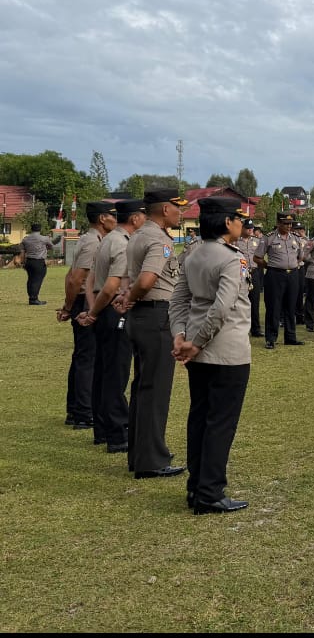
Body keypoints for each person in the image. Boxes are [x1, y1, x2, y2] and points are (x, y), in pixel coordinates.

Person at [170, 197, 252, 514]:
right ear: (227, 222)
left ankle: (196, 486)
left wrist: (181, 335)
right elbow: (222, 307)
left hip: (197, 348)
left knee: (200, 418)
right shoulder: (232, 258)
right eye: (238, 219)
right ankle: (210, 491)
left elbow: (178, 300)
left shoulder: (193, 254)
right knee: (220, 422)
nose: (242, 224)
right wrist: (198, 342)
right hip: (225, 351)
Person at [117, 188, 187, 479]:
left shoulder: (137, 235)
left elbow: (131, 277)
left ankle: (140, 454)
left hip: (142, 317)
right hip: (156, 314)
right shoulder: (159, 239)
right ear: (165, 209)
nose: (181, 213)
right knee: (155, 390)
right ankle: (152, 460)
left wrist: (128, 297)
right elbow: (146, 280)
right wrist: (131, 297)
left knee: (143, 387)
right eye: (178, 207)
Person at [78, 199, 146, 454]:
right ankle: (117, 433)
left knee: (103, 372)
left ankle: (102, 429)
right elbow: (111, 286)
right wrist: (95, 312)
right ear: (135, 218)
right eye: (143, 215)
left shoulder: (107, 240)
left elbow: (90, 280)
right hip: (114, 309)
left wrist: (92, 309)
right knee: (116, 374)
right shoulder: (122, 243)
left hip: (103, 309)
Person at [56, 201, 115, 429]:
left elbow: (70, 275)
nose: (115, 219)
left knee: (82, 357)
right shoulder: (93, 243)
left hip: (82, 301)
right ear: (102, 219)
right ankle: (83, 412)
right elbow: (76, 278)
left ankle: (75, 410)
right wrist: (69, 307)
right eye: (112, 215)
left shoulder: (89, 239)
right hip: (86, 302)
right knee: (87, 359)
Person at [254, 212, 303, 349]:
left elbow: (300, 256)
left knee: (291, 306)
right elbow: (257, 257)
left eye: (290, 224)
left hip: (292, 275)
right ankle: (271, 338)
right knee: (273, 307)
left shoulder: (296, 238)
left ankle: (290, 337)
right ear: (278, 223)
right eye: (285, 223)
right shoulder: (269, 238)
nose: (289, 226)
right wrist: (269, 266)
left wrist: (292, 265)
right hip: (275, 275)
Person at [236, 219, 264, 337]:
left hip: (254, 272)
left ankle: (255, 329)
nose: (250, 230)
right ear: (242, 228)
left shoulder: (257, 241)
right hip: (240, 273)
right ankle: (241, 329)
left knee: (255, 301)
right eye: (247, 228)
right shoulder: (235, 241)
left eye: (251, 228)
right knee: (240, 301)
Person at [16, 223, 54, 305]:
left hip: (29, 261)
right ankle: (34, 299)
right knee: (37, 280)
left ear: (31, 229)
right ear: (40, 229)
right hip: (39, 261)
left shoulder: (25, 239)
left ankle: (31, 297)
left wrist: (23, 262)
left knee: (30, 279)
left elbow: (22, 252)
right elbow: (51, 246)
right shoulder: (44, 238)